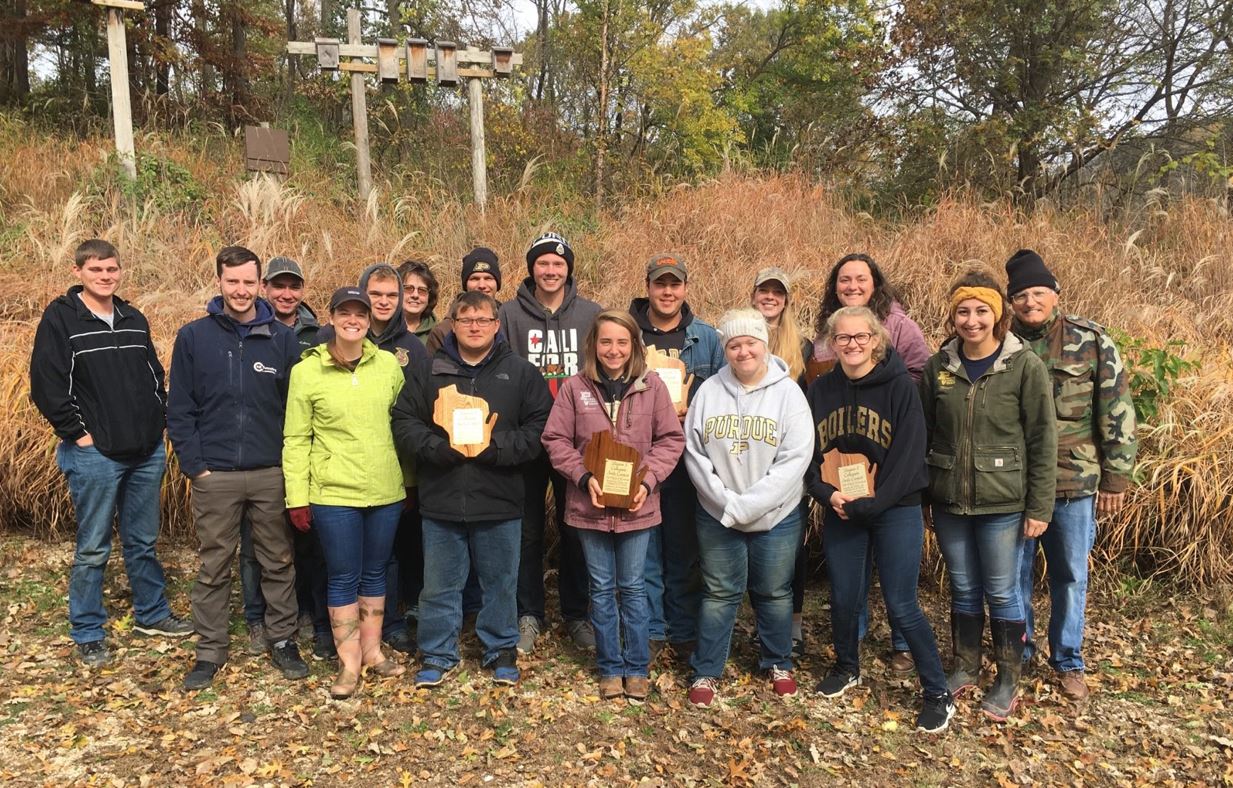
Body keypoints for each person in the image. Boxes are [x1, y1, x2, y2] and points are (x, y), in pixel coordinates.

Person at [30, 239, 192, 667]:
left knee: (142, 541)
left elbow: (155, 374)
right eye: (97, 269)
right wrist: (79, 435)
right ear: (78, 271)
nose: (106, 276)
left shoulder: (133, 317)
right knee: (93, 547)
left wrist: (157, 421)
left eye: (112, 269)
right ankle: (87, 630)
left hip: (145, 451)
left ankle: (152, 614)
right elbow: (46, 385)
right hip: (95, 455)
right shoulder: (62, 319)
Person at [391, 291, 553, 688]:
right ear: (454, 325)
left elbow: (539, 429)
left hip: (499, 498)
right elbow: (404, 421)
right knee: (440, 584)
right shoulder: (429, 371)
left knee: (500, 583)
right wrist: (437, 450)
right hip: (443, 498)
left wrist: (495, 449)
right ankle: (437, 652)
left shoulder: (519, 373)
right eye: (466, 320)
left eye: (483, 319)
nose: (475, 326)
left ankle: (499, 649)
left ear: (497, 326)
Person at [806, 306, 955, 734]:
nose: (852, 345)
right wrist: (826, 493)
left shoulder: (900, 389)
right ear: (832, 344)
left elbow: (909, 457)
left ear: (876, 339)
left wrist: (873, 504)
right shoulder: (821, 390)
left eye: (861, 337)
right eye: (843, 338)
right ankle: (847, 666)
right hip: (841, 506)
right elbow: (806, 454)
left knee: (901, 603)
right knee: (845, 596)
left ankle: (937, 692)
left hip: (895, 509)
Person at [167, 246, 309, 690]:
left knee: (277, 561)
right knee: (214, 564)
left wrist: (288, 467)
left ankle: (282, 639)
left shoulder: (283, 340)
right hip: (216, 474)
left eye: (249, 282)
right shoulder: (194, 337)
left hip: (270, 471)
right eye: (233, 282)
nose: (241, 290)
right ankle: (210, 650)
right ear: (220, 282)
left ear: (260, 284)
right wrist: (197, 468)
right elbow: (180, 409)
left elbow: (296, 409)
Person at [920, 268, 1057, 721]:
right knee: (962, 586)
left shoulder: (1023, 365)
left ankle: (1007, 677)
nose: (972, 320)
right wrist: (923, 494)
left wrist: (1039, 506)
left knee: (1002, 591)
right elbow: (924, 433)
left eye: (981, 311)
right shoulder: (940, 366)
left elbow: (1042, 439)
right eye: (963, 311)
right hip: (949, 500)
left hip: (1003, 501)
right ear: (953, 315)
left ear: (997, 316)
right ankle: (965, 665)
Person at [1006, 249, 1137, 701]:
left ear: (1055, 294)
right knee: (1014, 574)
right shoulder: (1000, 343)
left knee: (1069, 575)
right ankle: (1018, 653)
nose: (1029, 302)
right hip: (1014, 483)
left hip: (1073, 483)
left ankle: (1067, 660)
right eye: (1020, 295)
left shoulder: (1091, 340)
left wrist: (1116, 477)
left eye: (1038, 292)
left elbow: (1117, 409)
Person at [542, 310, 685, 701]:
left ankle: (636, 666)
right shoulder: (575, 388)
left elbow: (671, 440)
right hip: (590, 507)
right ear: (593, 345)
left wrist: (648, 480)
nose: (613, 350)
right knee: (602, 589)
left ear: (634, 346)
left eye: (622, 342)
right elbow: (555, 440)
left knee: (634, 588)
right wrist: (583, 477)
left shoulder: (652, 387)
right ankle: (609, 667)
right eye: (606, 341)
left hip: (638, 507)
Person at [682, 308, 812, 707]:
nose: (743, 352)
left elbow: (796, 458)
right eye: (734, 345)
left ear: (764, 344)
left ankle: (778, 661)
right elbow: (694, 452)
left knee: (773, 591)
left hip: (777, 516)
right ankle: (706, 669)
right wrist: (726, 502)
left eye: (750, 343)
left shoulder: (788, 392)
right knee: (719, 592)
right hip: (718, 511)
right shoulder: (708, 392)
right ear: (726, 349)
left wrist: (751, 505)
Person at [283, 287, 408, 699]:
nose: (353, 320)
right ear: (332, 318)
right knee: (342, 575)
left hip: (384, 489)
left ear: (370, 320)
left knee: (375, 571)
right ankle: (349, 659)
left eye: (361, 313)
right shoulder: (308, 371)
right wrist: (296, 496)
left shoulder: (388, 365)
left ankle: (372, 650)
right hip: (333, 493)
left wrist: (410, 481)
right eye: (345, 313)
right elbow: (296, 438)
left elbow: (404, 424)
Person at [812, 252, 931, 673]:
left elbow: (921, 371)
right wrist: (828, 493)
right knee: (846, 588)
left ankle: (909, 653)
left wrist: (885, 394)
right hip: (844, 480)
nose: (852, 285)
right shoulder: (827, 332)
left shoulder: (898, 327)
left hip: (889, 484)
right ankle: (851, 651)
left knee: (900, 593)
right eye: (844, 279)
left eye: (861, 278)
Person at [317, 263, 429, 654]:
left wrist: (411, 478)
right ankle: (331, 631)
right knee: (339, 562)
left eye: (390, 296)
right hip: (338, 479)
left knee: (389, 558)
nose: (384, 302)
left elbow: (415, 416)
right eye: (375, 295)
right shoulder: (324, 347)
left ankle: (389, 626)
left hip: (391, 477)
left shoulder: (412, 349)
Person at [499, 232, 601, 654]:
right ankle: (528, 613)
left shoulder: (592, 314)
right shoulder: (507, 315)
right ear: (531, 268)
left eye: (558, 264)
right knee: (526, 530)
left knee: (576, 526)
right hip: (525, 436)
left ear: (569, 269)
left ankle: (578, 614)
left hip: (577, 440)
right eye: (543, 263)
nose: (551, 270)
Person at [628, 254, 724, 661]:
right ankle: (650, 628)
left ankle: (683, 628)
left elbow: (723, 395)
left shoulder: (706, 337)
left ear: (685, 288)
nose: (668, 292)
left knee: (683, 548)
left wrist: (693, 408)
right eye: (660, 283)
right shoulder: (627, 333)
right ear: (648, 286)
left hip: (687, 458)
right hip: (637, 456)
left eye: (675, 284)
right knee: (645, 547)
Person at [234, 256, 329, 660]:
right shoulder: (249, 330)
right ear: (265, 288)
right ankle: (258, 617)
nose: (286, 294)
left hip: (307, 453)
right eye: (278, 287)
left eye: (294, 287)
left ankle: (305, 610)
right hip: (261, 452)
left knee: (306, 540)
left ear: (302, 291)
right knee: (257, 545)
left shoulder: (319, 333)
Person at [750, 266, 812, 658]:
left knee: (790, 545)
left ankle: (793, 623)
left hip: (788, 454)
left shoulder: (802, 346)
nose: (770, 298)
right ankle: (760, 624)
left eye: (777, 292)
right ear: (753, 295)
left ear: (786, 299)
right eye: (764, 291)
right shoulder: (735, 336)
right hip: (747, 452)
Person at [426, 247, 503, 354]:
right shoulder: (443, 331)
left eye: (488, 278)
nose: (482, 285)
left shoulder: (510, 324)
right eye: (474, 279)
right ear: (465, 284)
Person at [400, 260, 439, 344]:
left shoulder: (438, 334)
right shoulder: (383, 329)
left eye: (422, 290)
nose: (415, 295)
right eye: (408, 288)